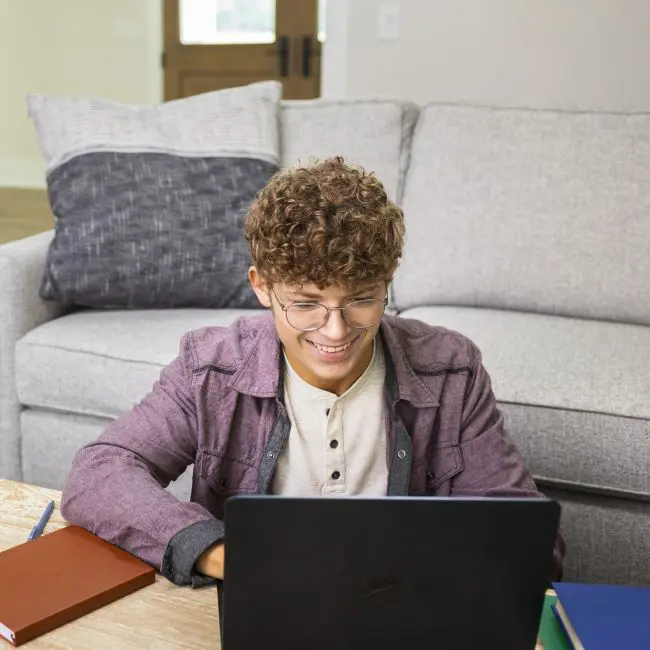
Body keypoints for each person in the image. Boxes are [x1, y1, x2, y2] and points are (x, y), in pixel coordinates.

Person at [61, 156, 565, 586]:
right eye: (305, 304)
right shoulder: (210, 367)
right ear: (262, 286)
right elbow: (98, 474)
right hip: (257, 606)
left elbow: (530, 541)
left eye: (362, 299)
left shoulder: (451, 370)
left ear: (388, 282)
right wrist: (222, 555)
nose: (335, 330)